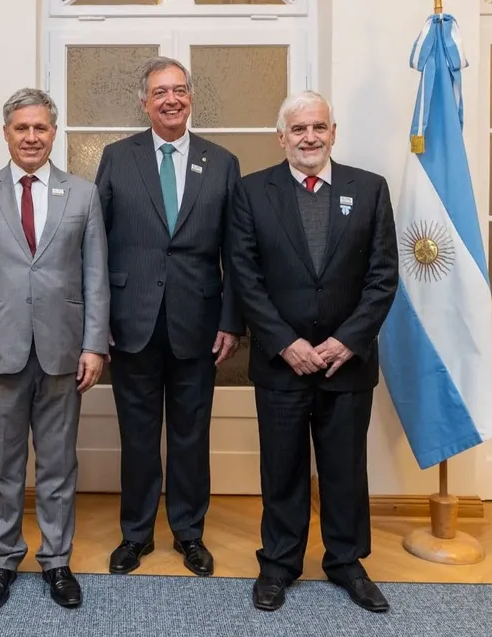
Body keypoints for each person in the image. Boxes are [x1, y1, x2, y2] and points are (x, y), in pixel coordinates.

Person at [230, 90, 398, 613]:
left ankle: (346, 561)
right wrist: (286, 343)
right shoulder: (252, 192)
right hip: (283, 363)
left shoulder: (369, 189)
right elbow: (245, 276)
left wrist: (348, 340)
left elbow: (383, 276)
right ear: (281, 137)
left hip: (347, 362)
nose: (309, 137)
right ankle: (279, 563)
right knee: (282, 468)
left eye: (318, 127)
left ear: (333, 133)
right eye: (298, 129)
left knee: (345, 468)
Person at [0, 88, 109, 611]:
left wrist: (94, 344)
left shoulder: (82, 194)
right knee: (2, 464)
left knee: (59, 465)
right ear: (7, 133)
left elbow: (95, 276)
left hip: (65, 350)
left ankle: (57, 561)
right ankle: (2, 560)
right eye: (22, 128)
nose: (32, 137)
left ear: (53, 133)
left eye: (41, 128)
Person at [95, 56, 243, 578]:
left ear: (191, 96)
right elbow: (97, 246)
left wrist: (231, 321)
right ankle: (135, 534)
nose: (170, 99)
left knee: (190, 434)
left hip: (199, 324)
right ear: (144, 102)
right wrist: (98, 320)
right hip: (129, 321)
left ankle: (188, 532)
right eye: (160, 92)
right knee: (136, 437)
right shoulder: (117, 158)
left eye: (179, 90)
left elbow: (235, 251)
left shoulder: (222, 162)